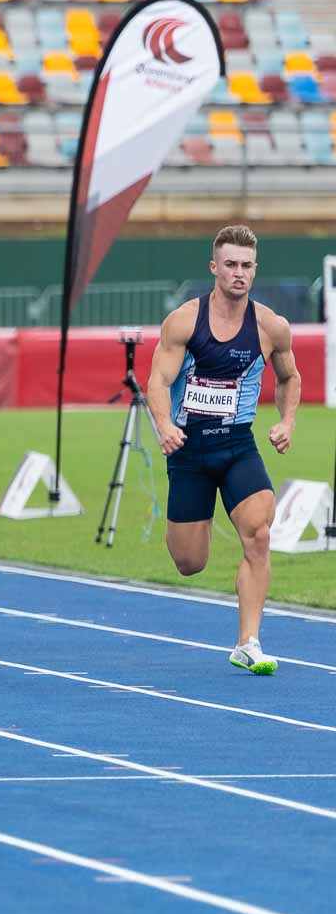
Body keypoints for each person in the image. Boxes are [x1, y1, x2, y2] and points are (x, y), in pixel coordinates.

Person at [146, 224, 301, 675]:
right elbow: (158, 381)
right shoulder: (183, 322)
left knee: (259, 532)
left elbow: (291, 377)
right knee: (190, 562)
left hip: (237, 445)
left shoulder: (271, 326)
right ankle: (203, 518)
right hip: (189, 449)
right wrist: (163, 425)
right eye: (230, 264)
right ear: (214, 268)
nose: (239, 273)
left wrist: (287, 421)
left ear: (255, 270)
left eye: (246, 266)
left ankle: (248, 642)